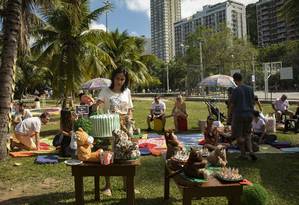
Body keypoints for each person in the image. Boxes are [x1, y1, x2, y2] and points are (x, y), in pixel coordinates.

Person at [95, 68, 133, 196]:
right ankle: (107, 186)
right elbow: (98, 105)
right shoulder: (105, 91)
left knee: (125, 154)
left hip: (124, 127)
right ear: (113, 78)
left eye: (122, 79)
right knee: (107, 154)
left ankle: (126, 185)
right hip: (109, 127)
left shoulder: (127, 91)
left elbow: (130, 110)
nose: (120, 81)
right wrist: (96, 105)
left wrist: (130, 119)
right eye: (117, 78)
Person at [231, 73, 257, 161]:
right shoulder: (250, 89)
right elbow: (253, 102)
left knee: (239, 136)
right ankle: (251, 151)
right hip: (249, 114)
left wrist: (229, 116)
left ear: (234, 80)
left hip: (239, 115)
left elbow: (232, 104)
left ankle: (243, 154)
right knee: (248, 135)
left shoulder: (236, 90)